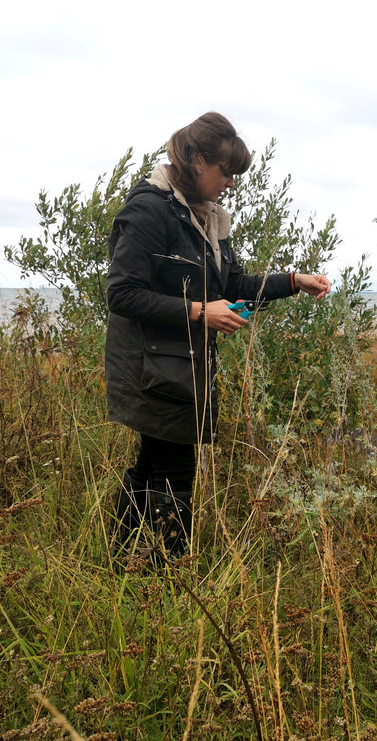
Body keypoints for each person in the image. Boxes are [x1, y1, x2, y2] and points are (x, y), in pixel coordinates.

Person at [105, 112, 331, 557]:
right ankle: (168, 574)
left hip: (182, 368)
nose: (230, 182)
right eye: (225, 172)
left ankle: (123, 562)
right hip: (150, 369)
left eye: (235, 175)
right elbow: (122, 294)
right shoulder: (149, 209)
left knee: (153, 463)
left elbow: (229, 287)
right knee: (175, 470)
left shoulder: (208, 219)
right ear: (195, 160)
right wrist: (197, 312)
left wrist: (293, 281)